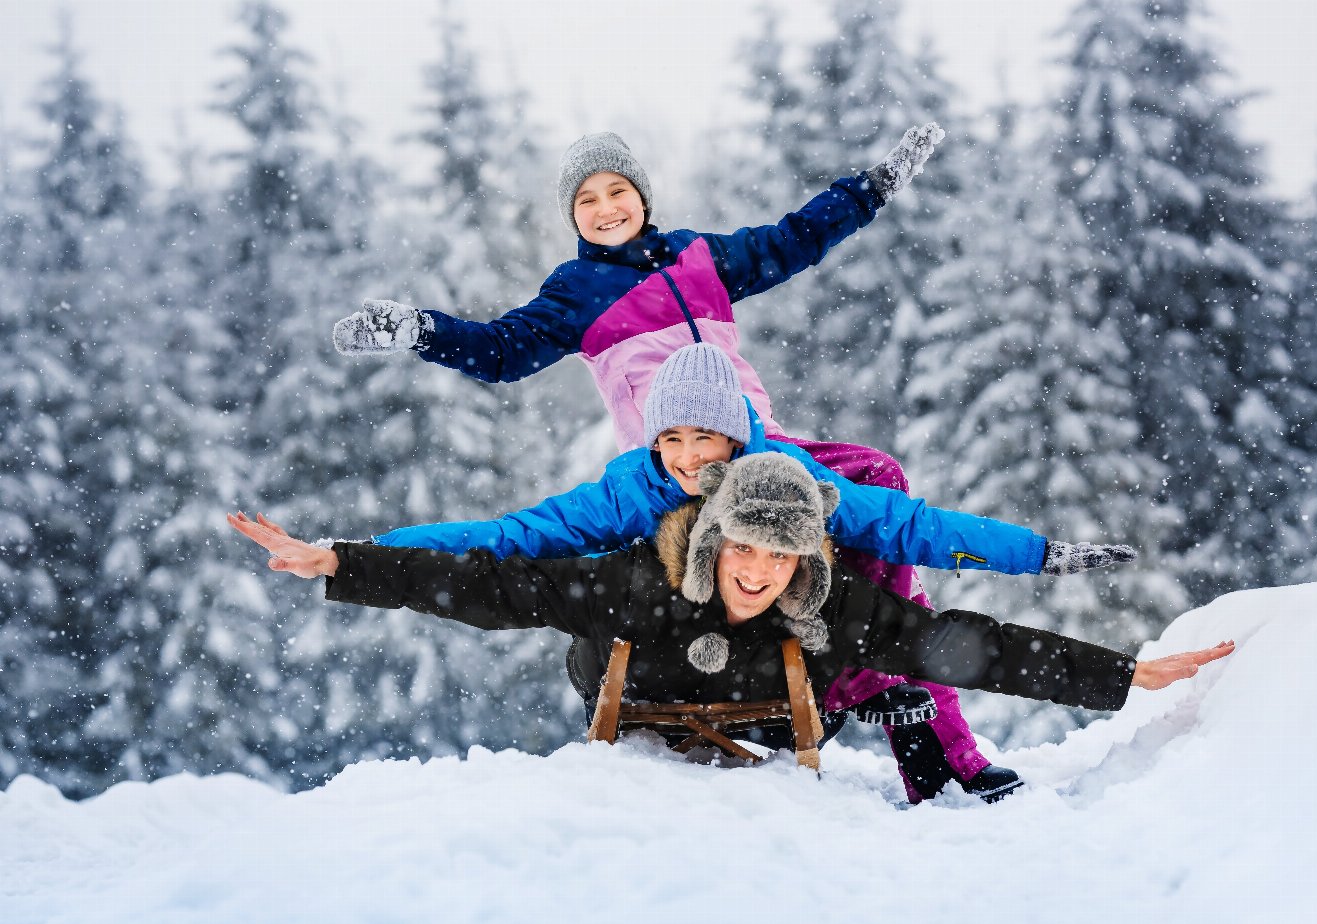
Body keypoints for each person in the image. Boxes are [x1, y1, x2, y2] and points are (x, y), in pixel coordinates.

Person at [327, 126, 1126, 800]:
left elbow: (794, 240)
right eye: (587, 199)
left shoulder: (698, 259)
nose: (606, 208)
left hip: (761, 450)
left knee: (879, 485)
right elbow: (500, 353)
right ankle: (877, 687)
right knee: (858, 513)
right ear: (573, 216)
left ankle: (919, 724)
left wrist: (873, 187)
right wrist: (418, 329)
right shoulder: (575, 294)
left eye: (617, 191)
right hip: (678, 473)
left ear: (642, 196)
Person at [354, 342, 1137, 800]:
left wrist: (1038, 554)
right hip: (661, 626)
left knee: (880, 507)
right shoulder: (640, 487)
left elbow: (911, 530)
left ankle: (893, 703)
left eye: (707, 439)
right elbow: (514, 540)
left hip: (771, 637)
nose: (691, 457)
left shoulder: (777, 479)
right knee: (584, 582)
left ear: (737, 438)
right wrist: (369, 556)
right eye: (672, 440)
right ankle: (886, 696)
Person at [226, 454, 1234, 803]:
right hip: (645, 694)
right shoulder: (643, 579)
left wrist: (1122, 675)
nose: (757, 571)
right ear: (715, 540)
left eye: (779, 555)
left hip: (770, 719)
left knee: (900, 669)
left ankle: (929, 757)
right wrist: (341, 563)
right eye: (743, 549)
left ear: (804, 557)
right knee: (556, 607)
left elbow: (961, 644)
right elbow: (500, 586)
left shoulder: (824, 603)